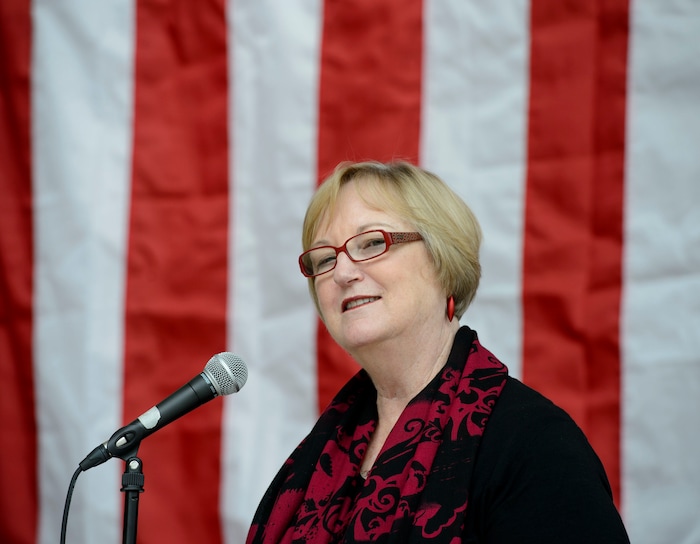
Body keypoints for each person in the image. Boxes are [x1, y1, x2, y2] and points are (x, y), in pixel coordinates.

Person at [246, 160, 630, 543]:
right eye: (326, 258)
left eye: (372, 243)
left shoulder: (535, 445)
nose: (343, 273)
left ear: (442, 260)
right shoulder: (318, 455)